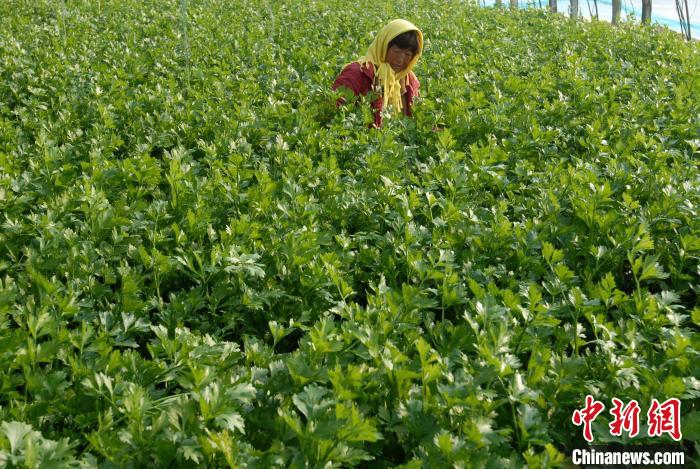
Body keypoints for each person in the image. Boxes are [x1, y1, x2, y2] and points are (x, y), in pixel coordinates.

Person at [332, 19, 423, 128]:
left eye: (407, 54)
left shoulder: (409, 79)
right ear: (384, 46)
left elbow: (416, 117)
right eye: (396, 51)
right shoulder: (358, 73)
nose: (400, 59)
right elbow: (333, 111)